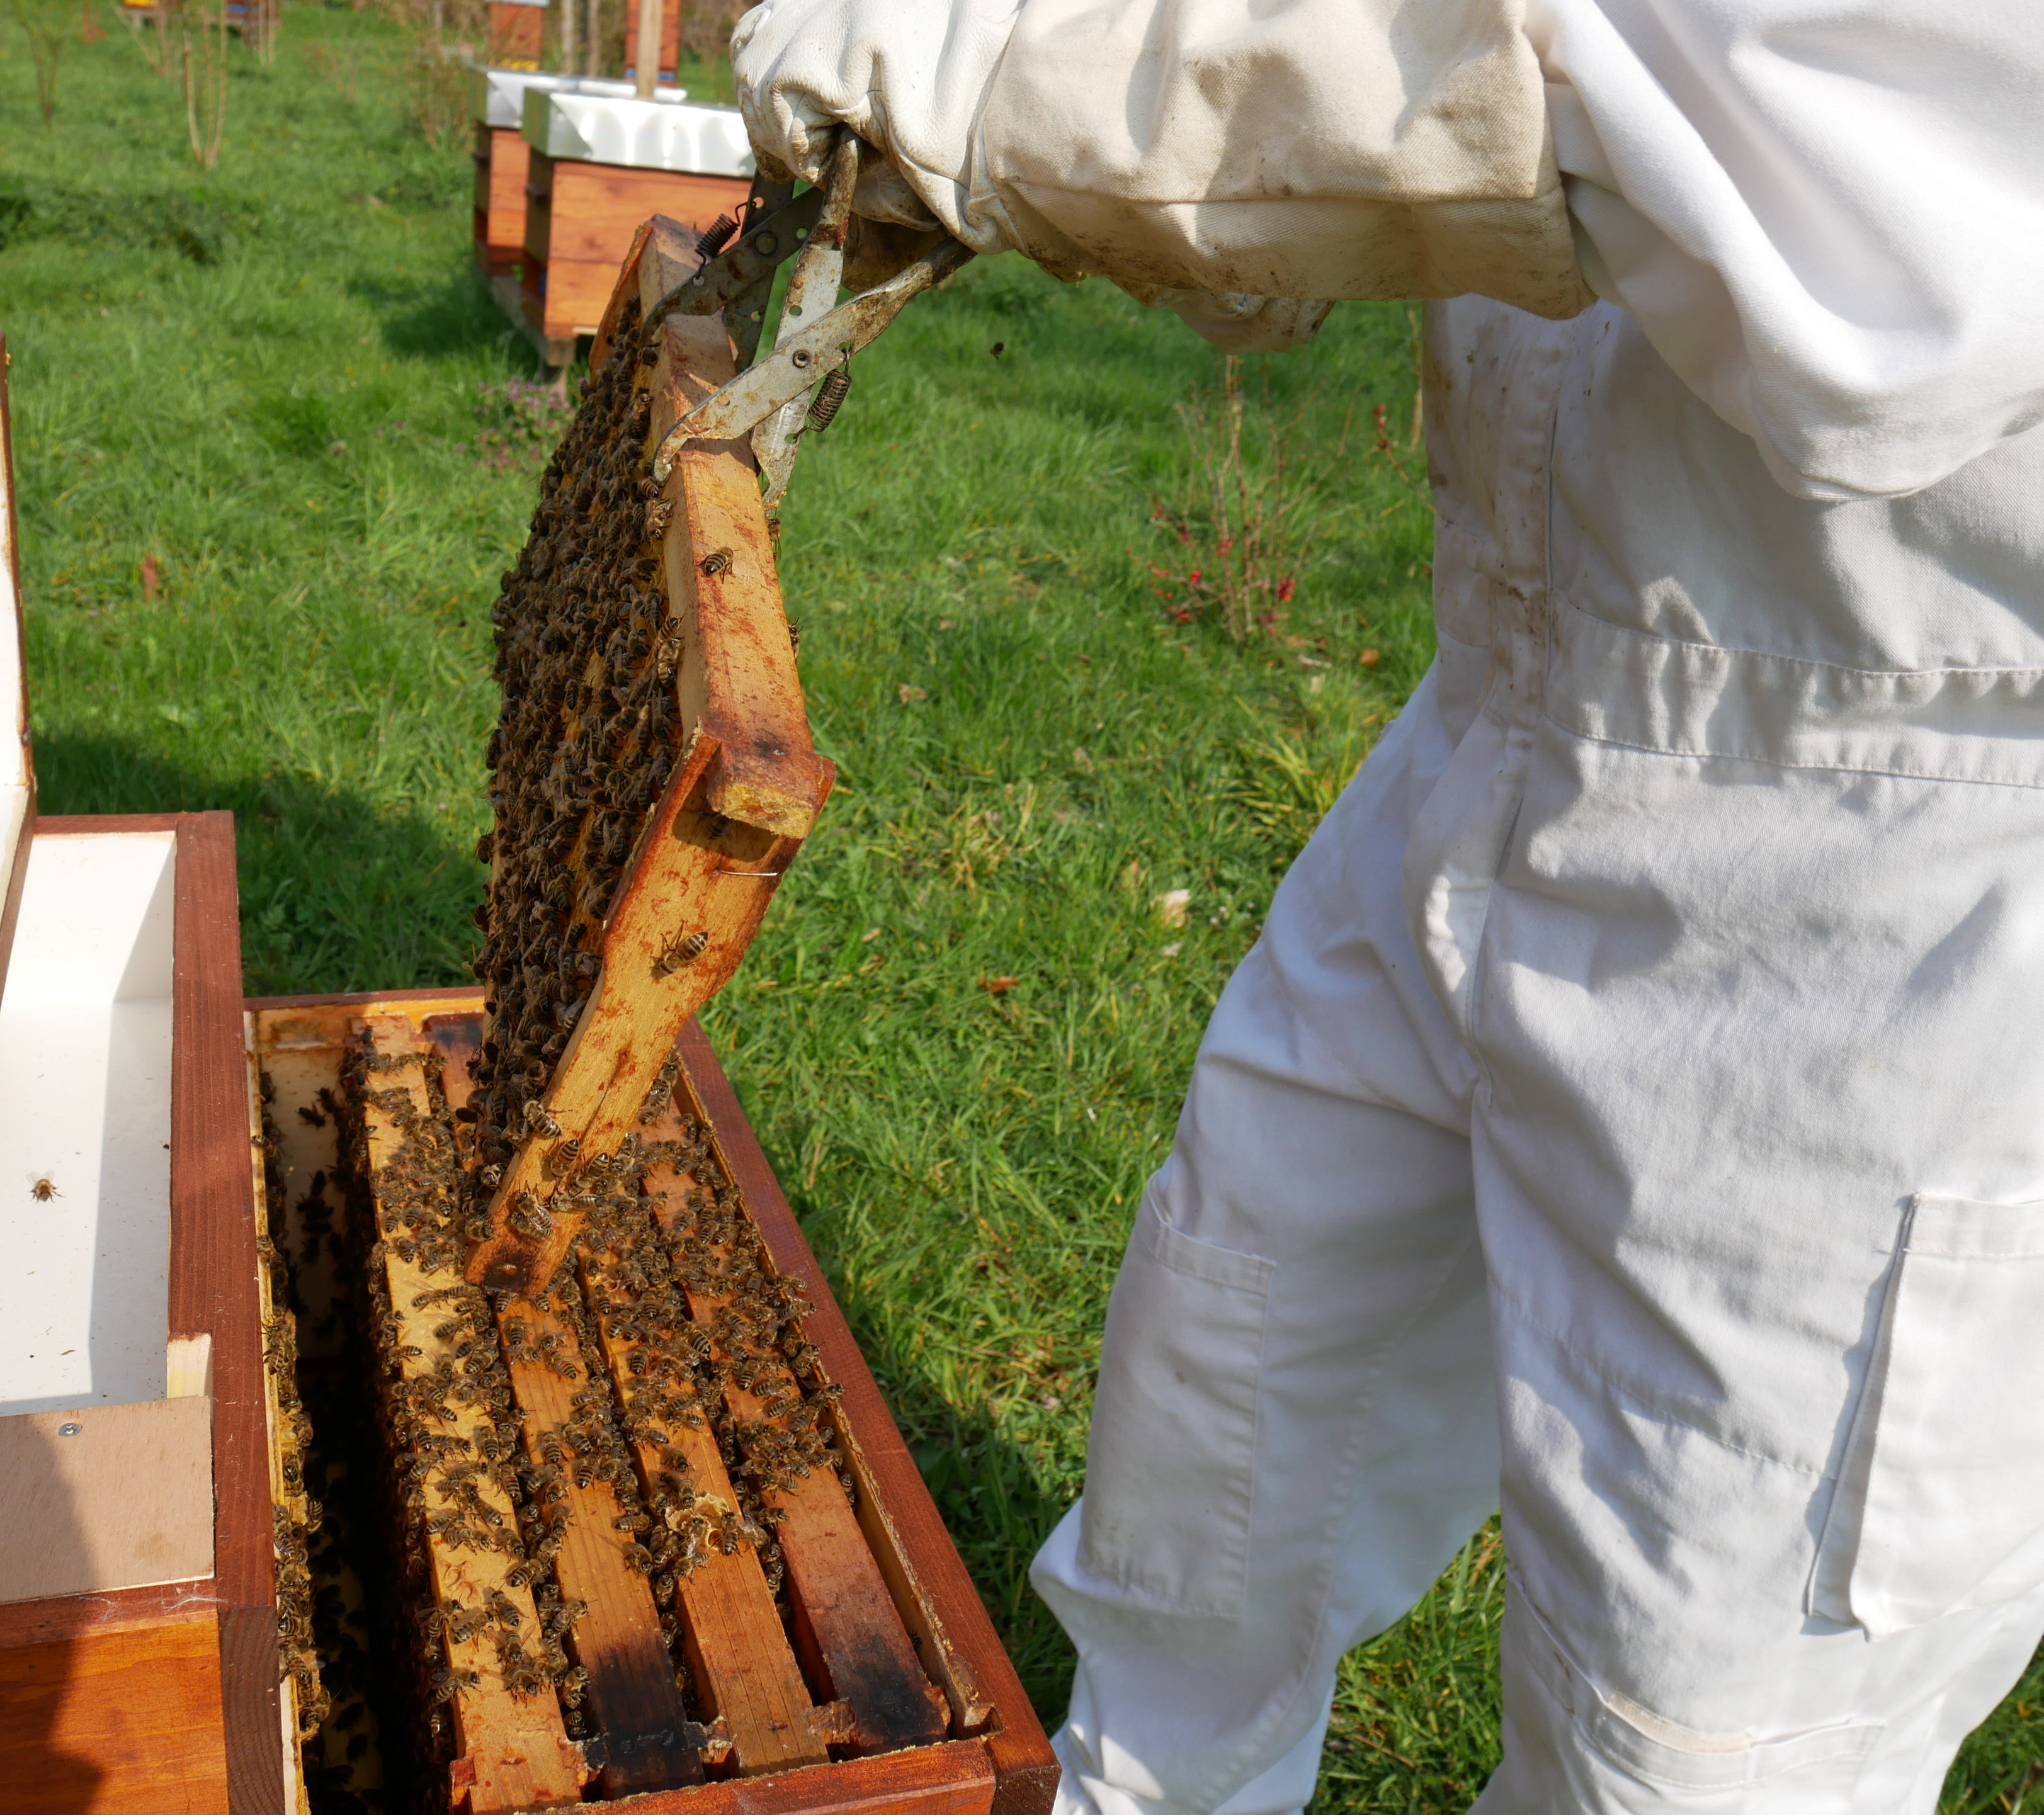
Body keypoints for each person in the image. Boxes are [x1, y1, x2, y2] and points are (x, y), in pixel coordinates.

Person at [727, 3, 2044, 1811]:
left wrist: (1025, 86)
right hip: (1495, 696)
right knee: (1215, 1446)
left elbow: (1818, 166)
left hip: (1874, 860)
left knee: (1685, 1733)